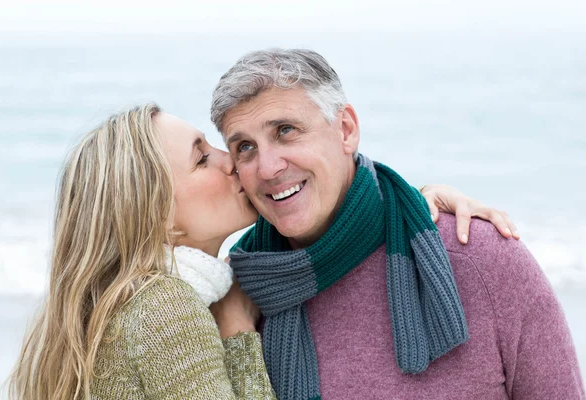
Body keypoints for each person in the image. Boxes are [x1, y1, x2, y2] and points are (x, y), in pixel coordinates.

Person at [6, 103, 509, 400]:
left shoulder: (127, 307)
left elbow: (320, 218)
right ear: (158, 214)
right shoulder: (165, 308)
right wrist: (238, 331)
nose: (232, 163)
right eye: (203, 157)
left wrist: (409, 206)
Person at [211, 49, 585, 399]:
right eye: (245, 147)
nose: (268, 167)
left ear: (345, 129)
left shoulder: (481, 259)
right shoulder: (237, 300)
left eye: (286, 131)